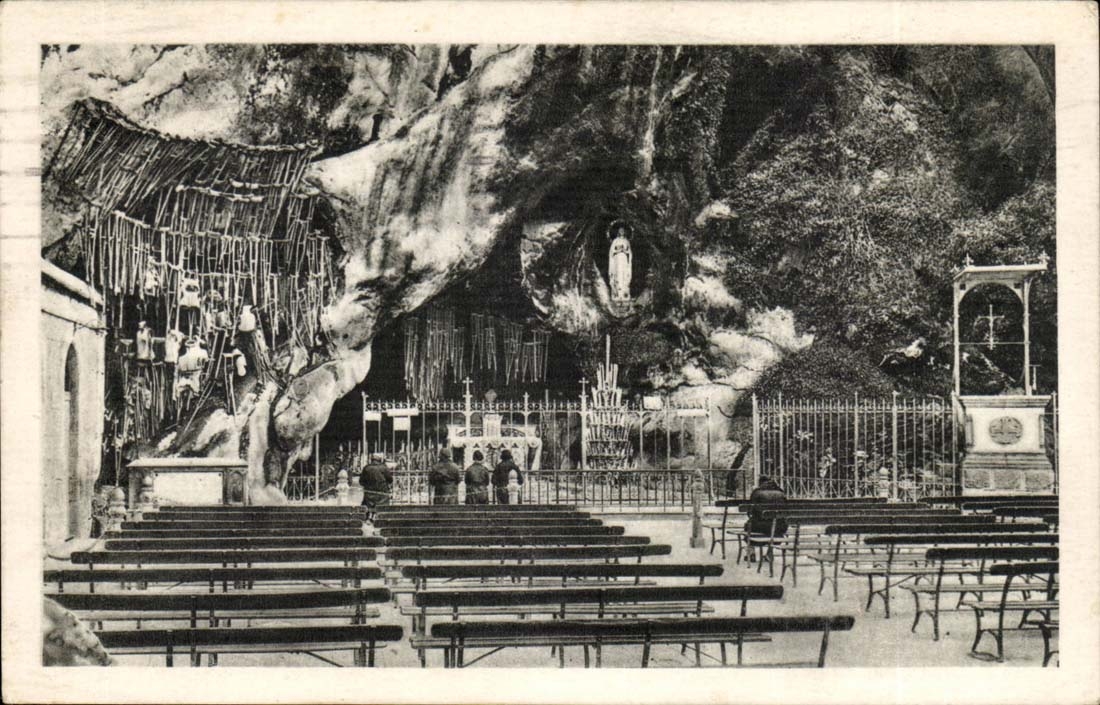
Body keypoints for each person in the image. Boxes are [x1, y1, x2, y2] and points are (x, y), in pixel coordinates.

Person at [358, 452, 393, 519]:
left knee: (366, 502)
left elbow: (361, 481)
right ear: (380, 460)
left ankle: (368, 517)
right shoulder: (384, 468)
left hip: (369, 494)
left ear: (371, 459)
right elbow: (390, 480)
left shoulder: (366, 468)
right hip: (382, 495)